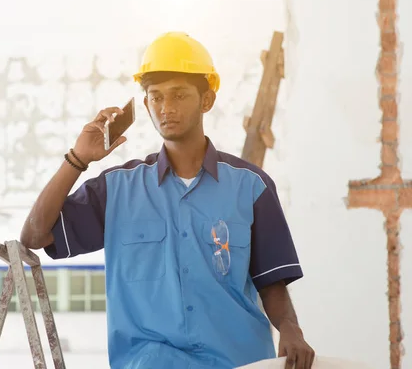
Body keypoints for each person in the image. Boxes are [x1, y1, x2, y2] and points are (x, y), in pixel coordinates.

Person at [20, 32, 315, 369]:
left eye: (179, 95)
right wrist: (78, 158)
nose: (166, 108)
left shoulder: (252, 186)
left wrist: (291, 330)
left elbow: (271, 281)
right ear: (145, 105)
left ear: (207, 100)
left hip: (238, 362)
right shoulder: (116, 190)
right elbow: (34, 236)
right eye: (156, 97)